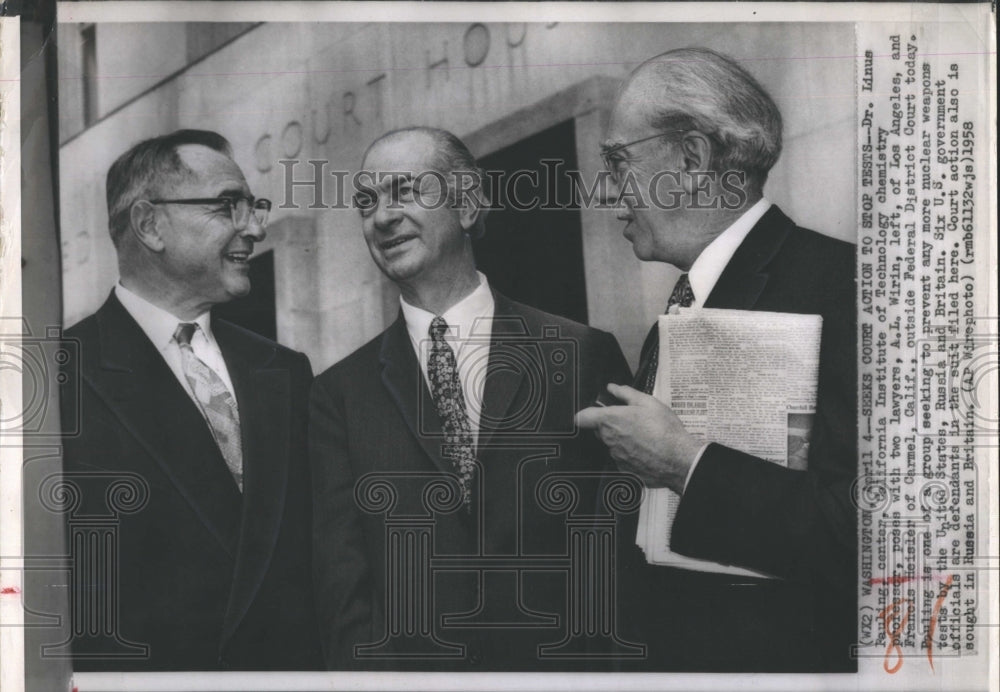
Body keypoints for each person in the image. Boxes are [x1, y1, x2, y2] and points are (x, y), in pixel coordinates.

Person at [576, 48, 858, 672]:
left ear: (693, 158)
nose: (607, 192)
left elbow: (880, 535)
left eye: (618, 162)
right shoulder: (678, 311)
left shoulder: (850, 288)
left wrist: (686, 465)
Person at [309, 126, 631, 671]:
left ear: (467, 205)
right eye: (367, 202)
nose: (382, 216)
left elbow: (619, 542)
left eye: (405, 191)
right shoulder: (336, 395)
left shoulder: (582, 355)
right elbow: (342, 586)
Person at [61, 129, 322, 671]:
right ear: (150, 224)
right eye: (229, 205)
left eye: (254, 207)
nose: (254, 226)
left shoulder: (285, 372)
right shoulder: (53, 379)